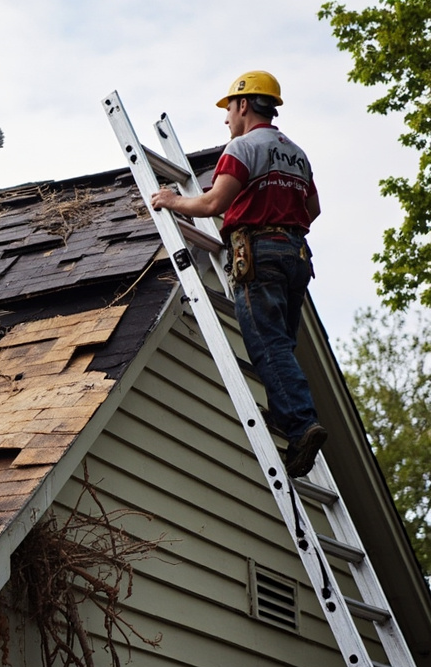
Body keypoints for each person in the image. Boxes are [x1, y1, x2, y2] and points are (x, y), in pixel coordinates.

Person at [150, 71, 327, 477]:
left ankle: (300, 426)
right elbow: (312, 210)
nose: (226, 118)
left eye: (228, 109)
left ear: (244, 105)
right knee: (281, 342)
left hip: (260, 253)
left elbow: (213, 203)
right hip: (297, 254)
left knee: (267, 344)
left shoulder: (242, 147)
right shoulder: (297, 153)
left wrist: (170, 199)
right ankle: (292, 419)